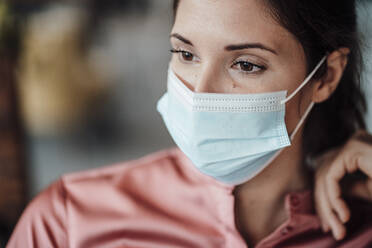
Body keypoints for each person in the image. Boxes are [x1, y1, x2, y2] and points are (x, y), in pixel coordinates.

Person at [6, 0, 372, 247]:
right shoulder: (67, 221)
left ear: (326, 76)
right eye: (186, 54)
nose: (199, 91)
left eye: (246, 64)